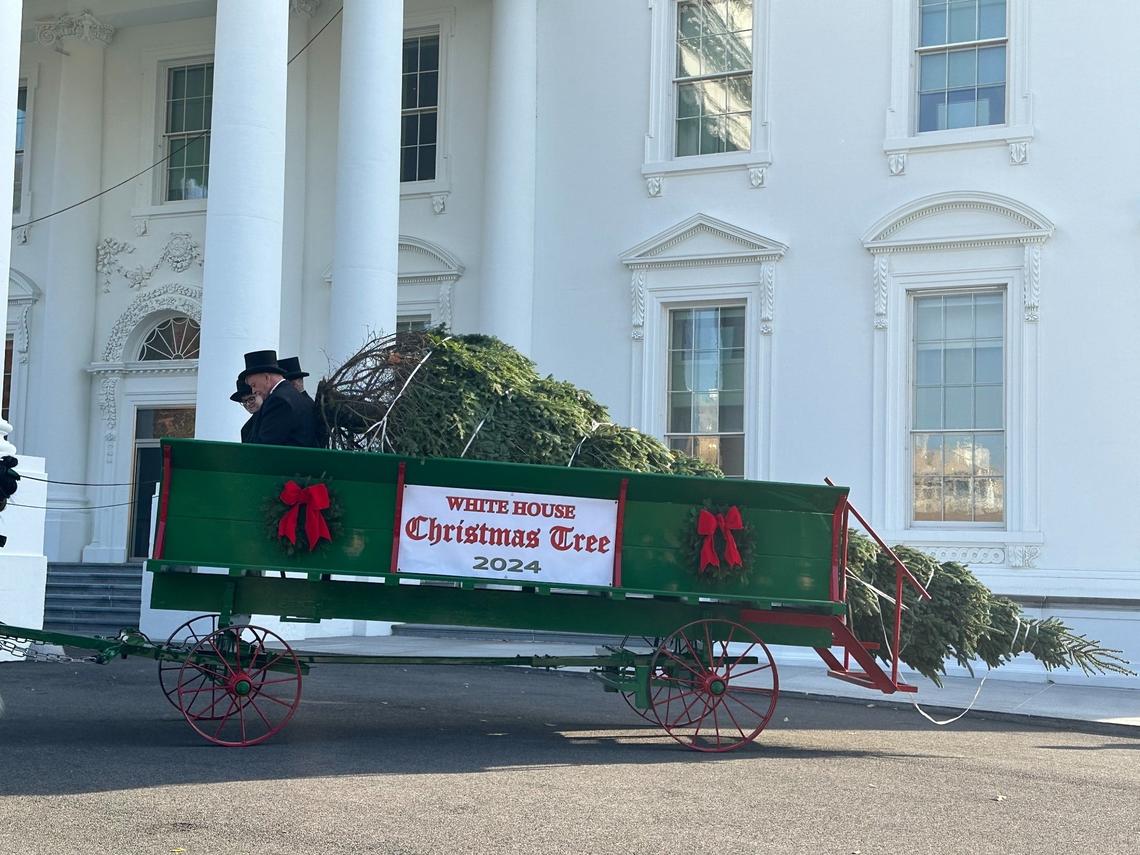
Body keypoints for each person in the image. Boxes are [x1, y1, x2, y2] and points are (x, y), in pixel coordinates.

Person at [238, 350, 320, 447]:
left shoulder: (279, 401)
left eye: (254, 385)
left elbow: (264, 446)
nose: (253, 391)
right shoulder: (291, 394)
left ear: (267, 378)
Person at [230, 379, 261, 443]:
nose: (248, 404)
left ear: (261, 394)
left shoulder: (275, 413)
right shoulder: (246, 429)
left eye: (251, 399)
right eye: (244, 401)